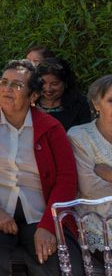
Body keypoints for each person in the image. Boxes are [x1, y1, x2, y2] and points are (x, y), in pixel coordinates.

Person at [0, 59, 83, 276]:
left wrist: (49, 225)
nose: (6, 89)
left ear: (33, 96)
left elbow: (67, 178)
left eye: (17, 85)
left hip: (39, 211)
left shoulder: (51, 128)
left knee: (63, 264)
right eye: (4, 82)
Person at [67, 74, 112, 267]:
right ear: (96, 104)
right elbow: (92, 190)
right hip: (98, 224)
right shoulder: (79, 136)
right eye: (111, 100)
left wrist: (107, 173)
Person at [36, 57, 92, 131]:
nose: (48, 89)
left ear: (66, 83)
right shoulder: (30, 103)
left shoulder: (80, 104)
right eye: (43, 83)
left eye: (55, 84)